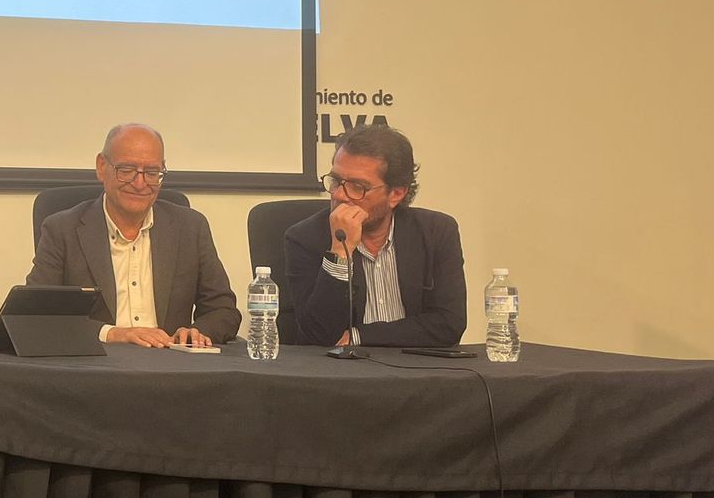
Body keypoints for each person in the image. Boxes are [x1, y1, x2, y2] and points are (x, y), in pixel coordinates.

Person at [28, 124, 240, 347]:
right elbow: (36, 315)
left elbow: (223, 310)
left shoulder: (190, 227)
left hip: (170, 367)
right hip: (98, 365)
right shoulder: (62, 229)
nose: (140, 184)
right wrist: (114, 334)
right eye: (127, 170)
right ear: (102, 167)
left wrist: (197, 332)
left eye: (151, 173)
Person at [281, 124, 467, 347]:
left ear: (396, 194)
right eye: (336, 181)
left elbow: (449, 324)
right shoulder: (304, 238)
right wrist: (340, 252)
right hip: (342, 374)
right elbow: (319, 336)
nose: (339, 195)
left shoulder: (436, 232)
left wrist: (360, 337)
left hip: (418, 370)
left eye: (357, 186)